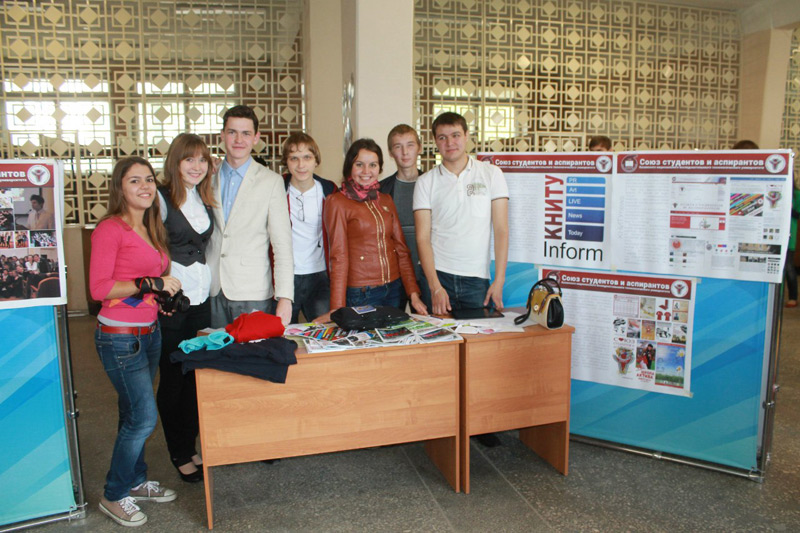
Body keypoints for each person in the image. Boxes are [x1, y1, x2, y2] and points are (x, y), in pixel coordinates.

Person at [90, 156, 179, 527]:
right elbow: (99, 288)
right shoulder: (110, 229)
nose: (145, 186)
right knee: (143, 417)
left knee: (132, 412)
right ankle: (114, 494)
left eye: (149, 179)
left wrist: (159, 298)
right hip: (119, 337)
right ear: (120, 188)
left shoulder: (150, 226)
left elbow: (144, 281)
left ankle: (136, 480)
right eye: (134, 181)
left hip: (149, 331)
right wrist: (150, 284)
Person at [155, 133, 216, 483]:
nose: (197, 166)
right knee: (173, 379)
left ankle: (190, 444)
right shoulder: (161, 198)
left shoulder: (202, 197)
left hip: (201, 300)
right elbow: (148, 243)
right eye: (189, 159)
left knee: (195, 376)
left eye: (202, 160)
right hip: (173, 304)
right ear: (175, 162)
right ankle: (178, 451)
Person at [317, 138, 428, 322]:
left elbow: (401, 250)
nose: (366, 171)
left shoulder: (385, 200)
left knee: (393, 338)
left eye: (373, 165)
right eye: (359, 164)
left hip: (394, 290)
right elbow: (338, 257)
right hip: (361, 293)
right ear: (349, 166)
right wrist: (336, 308)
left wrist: (413, 293)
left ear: (380, 168)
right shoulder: (337, 202)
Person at [414, 111, 509, 316]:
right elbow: (422, 238)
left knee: (477, 336)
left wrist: (500, 280)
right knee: (439, 337)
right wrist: (435, 286)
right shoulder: (425, 182)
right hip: (437, 277)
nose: (450, 143)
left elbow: (501, 230)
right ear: (435, 141)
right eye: (442, 137)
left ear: (466, 136)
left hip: (476, 278)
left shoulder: (492, 174)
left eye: (455, 135)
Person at [207, 105, 294, 327]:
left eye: (246, 133)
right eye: (232, 132)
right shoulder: (206, 177)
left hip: (252, 290)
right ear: (222, 135)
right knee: (213, 349)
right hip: (212, 287)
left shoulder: (271, 181)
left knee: (253, 349)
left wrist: (285, 297)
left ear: (256, 137)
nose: (238, 140)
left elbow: (282, 244)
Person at [281, 132, 337, 323]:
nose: (301, 165)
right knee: (282, 332)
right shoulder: (277, 189)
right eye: (294, 158)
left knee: (324, 331)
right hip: (286, 277)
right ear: (287, 162)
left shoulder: (329, 191)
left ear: (316, 160)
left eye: (307, 157)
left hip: (319, 275)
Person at [380, 124, 430, 309]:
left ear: (419, 148)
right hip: (395, 274)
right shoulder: (382, 190)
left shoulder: (434, 184)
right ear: (390, 152)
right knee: (394, 323)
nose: (405, 152)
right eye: (398, 146)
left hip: (428, 271)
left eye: (410, 145)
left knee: (432, 321)